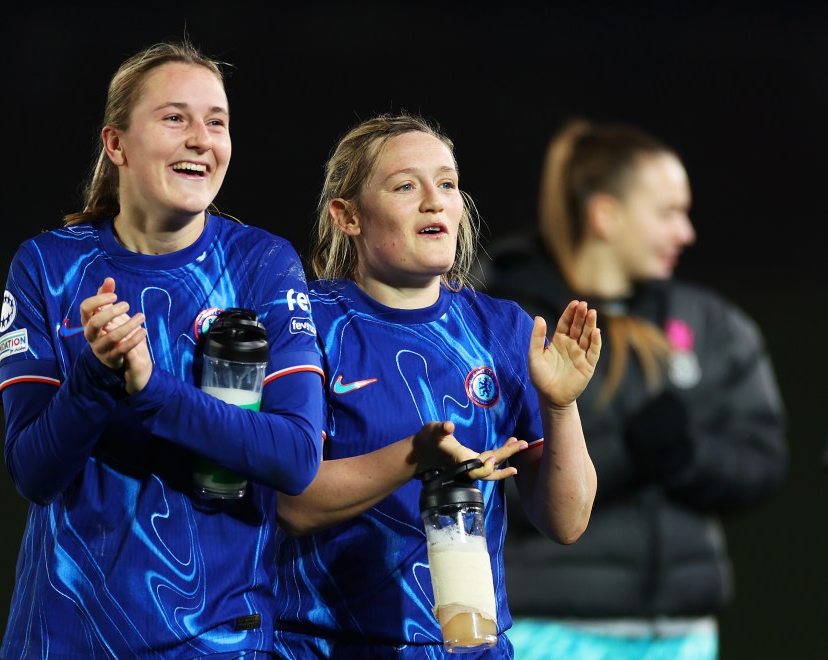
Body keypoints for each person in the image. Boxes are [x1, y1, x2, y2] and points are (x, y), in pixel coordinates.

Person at [0, 40, 325, 658]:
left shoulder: (262, 264)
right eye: (175, 117)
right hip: (64, 640)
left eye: (216, 121)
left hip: (219, 642)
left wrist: (150, 390)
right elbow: (34, 471)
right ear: (115, 144)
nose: (202, 137)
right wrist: (95, 377)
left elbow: (297, 456)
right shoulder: (48, 265)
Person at [272, 114, 602, 659]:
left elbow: (567, 521)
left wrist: (560, 405)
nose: (435, 201)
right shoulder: (306, 324)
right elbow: (292, 503)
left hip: (470, 648)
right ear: (347, 216)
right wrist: (415, 456)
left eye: (447, 183)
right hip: (326, 648)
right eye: (406, 186)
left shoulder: (503, 330)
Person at [473, 118, 788, 659]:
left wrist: (687, 455)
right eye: (668, 213)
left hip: (684, 633)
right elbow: (482, 478)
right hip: (550, 628)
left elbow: (763, 459)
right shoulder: (503, 317)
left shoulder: (711, 324)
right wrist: (626, 455)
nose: (686, 232)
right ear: (605, 215)